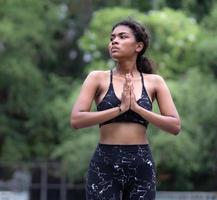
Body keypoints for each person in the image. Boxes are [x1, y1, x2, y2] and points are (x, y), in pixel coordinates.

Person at [71, 19, 181, 200]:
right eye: (112, 37)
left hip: (141, 163)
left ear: (138, 46)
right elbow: (76, 120)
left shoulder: (154, 81)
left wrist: (137, 108)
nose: (114, 41)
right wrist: (120, 109)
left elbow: (175, 126)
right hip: (105, 162)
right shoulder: (97, 78)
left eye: (122, 37)